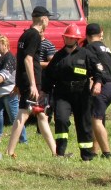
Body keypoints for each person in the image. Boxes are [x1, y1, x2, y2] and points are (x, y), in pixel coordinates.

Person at [43, 24, 103, 160]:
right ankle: (60, 153)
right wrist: (43, 91)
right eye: (67, 37)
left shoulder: (86, 54)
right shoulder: (58, 56)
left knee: (84, 124)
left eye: (72, 38)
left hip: (82, 94)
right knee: (61, 119)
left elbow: (98, 70)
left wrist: (98, 83)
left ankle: (86, 156)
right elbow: (49, 76)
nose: (69, 40)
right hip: (62, 94)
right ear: (64, 38)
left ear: (77, 39)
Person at [5, 6, 57, 159]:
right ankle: (9, 151)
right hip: (32, 82)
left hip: (26, 81)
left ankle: (56, 152)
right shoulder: (34, 35)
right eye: (48, 19)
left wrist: (17, 83)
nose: (49, 22)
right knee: (23, 114)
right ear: (44, 19)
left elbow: (19, 59)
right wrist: (33, 84)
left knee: (41, 115)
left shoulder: (25, 35)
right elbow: (28, 59)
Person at [84, 23, 111, 158]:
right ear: (99, 34)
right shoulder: (106, 48)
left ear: (87, 35)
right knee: (97, 119)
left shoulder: (89, 48)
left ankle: (107, 153)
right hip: (110, 86)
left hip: (100, 86)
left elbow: (95, 68)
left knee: (96, 120)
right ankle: (94, 151)